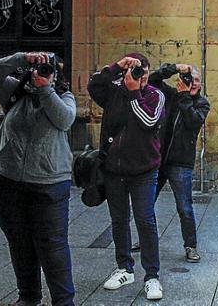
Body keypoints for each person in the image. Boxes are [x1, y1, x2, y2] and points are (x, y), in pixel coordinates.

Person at [0, 52, 76, 306]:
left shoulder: (64, 98)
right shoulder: (15, 93)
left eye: (51, 69)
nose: (46, 71)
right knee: (19, 241)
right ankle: (28, 297)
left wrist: (45, 89)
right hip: (7, 180)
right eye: (42, 67)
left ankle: (63, 301)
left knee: (53, 247)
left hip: (49, 185)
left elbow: (65, 120)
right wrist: (20, 58)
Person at [87, 53, 165, 300]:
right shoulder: (114, 91)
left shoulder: (155, 95)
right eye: (134, 71)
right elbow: (93, 86)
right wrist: (116, 66)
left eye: (143, 71)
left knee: (145, 220)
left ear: (149, 73)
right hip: (114, 170)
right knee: (119, 220)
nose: (139, 76)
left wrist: (134, 93)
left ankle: (152, 276)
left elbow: (149, 121)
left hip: (144, 171)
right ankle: (124, 268)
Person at [144, 63, 210, 263]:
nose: (193, 83)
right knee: (146, 204)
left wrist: (184, 96)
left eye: (196, 80)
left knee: (184, 207)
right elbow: (153, 80)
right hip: (159, 158)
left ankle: (190, 246)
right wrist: (173, 68)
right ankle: (145, 240)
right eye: (189, 79)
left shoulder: (201, 103)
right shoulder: (171, 94)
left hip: (181, 163)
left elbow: (192, 122)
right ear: (181, 81)